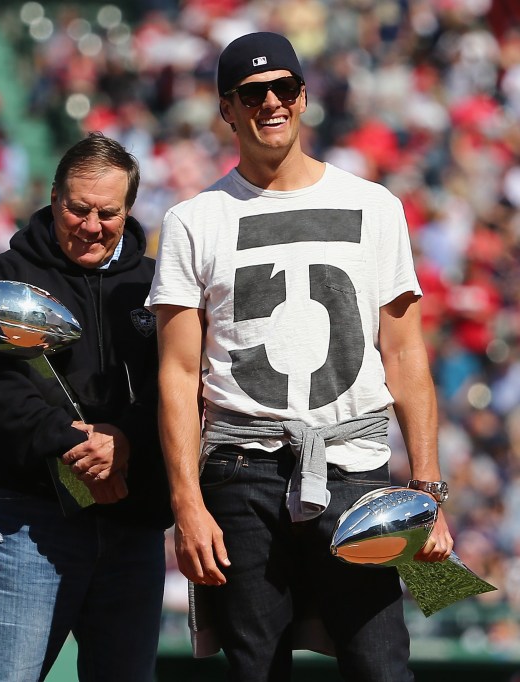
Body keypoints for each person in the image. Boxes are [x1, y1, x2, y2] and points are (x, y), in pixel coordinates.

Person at [149, 32, 455, 681]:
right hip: (240, 470)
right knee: (255, 670)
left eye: (283, 88)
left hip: (355, 468)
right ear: (226, 109)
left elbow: (404, 353)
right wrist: (186, 505)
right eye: (252, 93)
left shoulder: (375, 207)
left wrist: (428, 490)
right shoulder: (191, 221)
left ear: (304, 97)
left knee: (383, 666)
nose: (271, 103)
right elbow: (177, 376)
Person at [0, 132, 173, 682]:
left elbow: (179, 385)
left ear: (128, 211)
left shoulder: (157, 286)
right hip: (31, 521)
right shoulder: (0, 279)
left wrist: (126, 442)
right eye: (78, 208)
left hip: (132, 526)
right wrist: (79, 445)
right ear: (53, 198)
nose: (91, 226)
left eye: (108, 212)